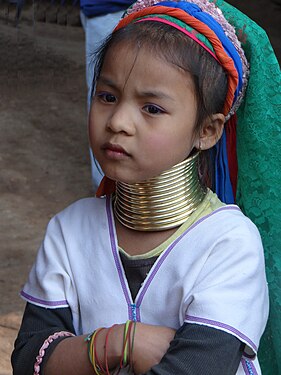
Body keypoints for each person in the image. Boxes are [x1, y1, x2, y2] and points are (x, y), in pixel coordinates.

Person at [12, 0, 281, 374]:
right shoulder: (69, 231)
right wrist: (126, 342)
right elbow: (29, 358)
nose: (118, 121)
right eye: (107, 97)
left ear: (207, 131)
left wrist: (77, 352)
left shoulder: (228, 243)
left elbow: (196, 367)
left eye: (152, 108)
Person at [80, 1, 135, 191]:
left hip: (116, 9)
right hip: (109, 8)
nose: (117, 124)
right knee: (109, 91)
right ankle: (108, 188)